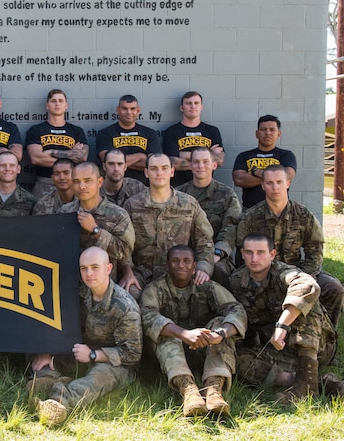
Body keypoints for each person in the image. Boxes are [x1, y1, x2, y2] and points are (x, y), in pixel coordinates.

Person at [30, 247, 141, 426]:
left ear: (108, 269)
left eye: (95, 267)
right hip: (79, 352)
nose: (89, 273)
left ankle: (59, 400)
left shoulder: (125, 306)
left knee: (99, 378)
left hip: (113, 363)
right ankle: (47, 379)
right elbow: (54, 322)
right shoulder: (78, 293)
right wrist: (48, 351)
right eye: (84, 268)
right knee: (41, 357)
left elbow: (132, 354)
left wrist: (93, 355)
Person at [228, 234, 344, 402]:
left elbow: (308, 284)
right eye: (249, 252)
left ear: (272, 254)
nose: (254, 258)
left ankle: (305, 386)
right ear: (242, 254)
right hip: (279, 349)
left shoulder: (284, 272)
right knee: (237, 362)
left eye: (261, 252)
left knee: (305, 304)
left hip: (316, 346)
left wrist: (282, 324)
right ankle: (312, 382)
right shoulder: (236, 281)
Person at [141, 245, 246, 417]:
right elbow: (148, 316)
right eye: (175, 261)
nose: (181, 265)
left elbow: (236, 310)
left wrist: (218, 335)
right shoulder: (155, 289)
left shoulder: (207, 286)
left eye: (186, 261)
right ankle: (189, 391)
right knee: (163, 332)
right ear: (167, 265)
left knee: (222, 325)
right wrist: (184, 334)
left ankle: (213, 390)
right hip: (170, 355)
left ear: (194, 265)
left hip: (204, 350)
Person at [236, 165, 344, 328]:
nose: (275, 187)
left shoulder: (303, 215)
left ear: (287, 183)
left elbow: (315, 253)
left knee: (335, 289)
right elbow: (242, 255)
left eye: (279, 182)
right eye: (270, 183)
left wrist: (302, 277)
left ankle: (326, 335)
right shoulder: (250, 218)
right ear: (263, 185)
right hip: (262, 275)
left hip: (297, 272)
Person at [122, 153, 214, 300]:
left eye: (164, 168)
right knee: (128, 294)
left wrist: (203, 268)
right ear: (146, 172)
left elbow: (205, 241)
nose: (159, 173)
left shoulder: (189, 204)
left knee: (204, 294)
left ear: (172, 171)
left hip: (180, 273)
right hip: (144, 274)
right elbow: (124, 245)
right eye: (154, 168)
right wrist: (128, 272)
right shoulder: (132, 205)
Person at [177, 147, 241, 287]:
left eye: (205, 161)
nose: (201, 166)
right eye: (196, 162)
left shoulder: (227, 196)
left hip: (216, 254)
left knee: (219, 270)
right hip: (184, 253)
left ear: (214, 165)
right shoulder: (178, 194)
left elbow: (231, 227)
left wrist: (217, 254)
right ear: (190, 165)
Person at [58, 162, 135, 279]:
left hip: (104, 284)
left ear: (99, 182)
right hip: (70, 281)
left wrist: (96, 230)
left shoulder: (118, 214)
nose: (82, 186)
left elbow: (125, 252)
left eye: (87, 180)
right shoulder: (65, 212)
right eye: (77, 182)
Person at [25, 89, 88, 198]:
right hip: (44, 184)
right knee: (42, 214)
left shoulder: (76, 131)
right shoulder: (36, 130)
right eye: (53, 101)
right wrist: (70, 155)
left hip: (71, 185)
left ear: (66, 105)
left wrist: (51, 152)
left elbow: (82, 157)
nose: (57, 104)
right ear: (47, 106)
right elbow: (36, 158)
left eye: (61, 101)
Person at [232, 114, 297, 208]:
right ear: (257, 133)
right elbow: (239, 179)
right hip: (250, 212)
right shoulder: (244, 156)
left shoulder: (286, 155)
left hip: (279, 210)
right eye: (263, 129)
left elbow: (288, 175)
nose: (267, 133)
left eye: (272, 129)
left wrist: (255, 171)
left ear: (279, 134)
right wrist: (275, 178)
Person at [162, 91, 225, 187]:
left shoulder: (212, 131)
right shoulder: (171, 132)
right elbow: (173, 163)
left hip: (206, 188)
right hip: (179, 188)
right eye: (188, 103)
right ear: (181, 108)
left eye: (196, 103)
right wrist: (208, 155)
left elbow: (220, 161)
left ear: (201, 107)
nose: (193, 106)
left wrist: (183, 154)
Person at [96, 95, 161, 185]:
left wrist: (117, 163)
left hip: (143, 187)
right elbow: (106, 159)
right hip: (115, 186)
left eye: (132, 109)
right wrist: (140, 156)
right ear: (117, 110)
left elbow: (153, 164)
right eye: (124, 108)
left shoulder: (150, 133)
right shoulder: (105, 133)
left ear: (138, 111)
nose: (129, 112)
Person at [0, 151, 37, 216]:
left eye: (12, 165)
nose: (7, 169)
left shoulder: (30, 201)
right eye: (3, 165)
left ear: (18, 169)